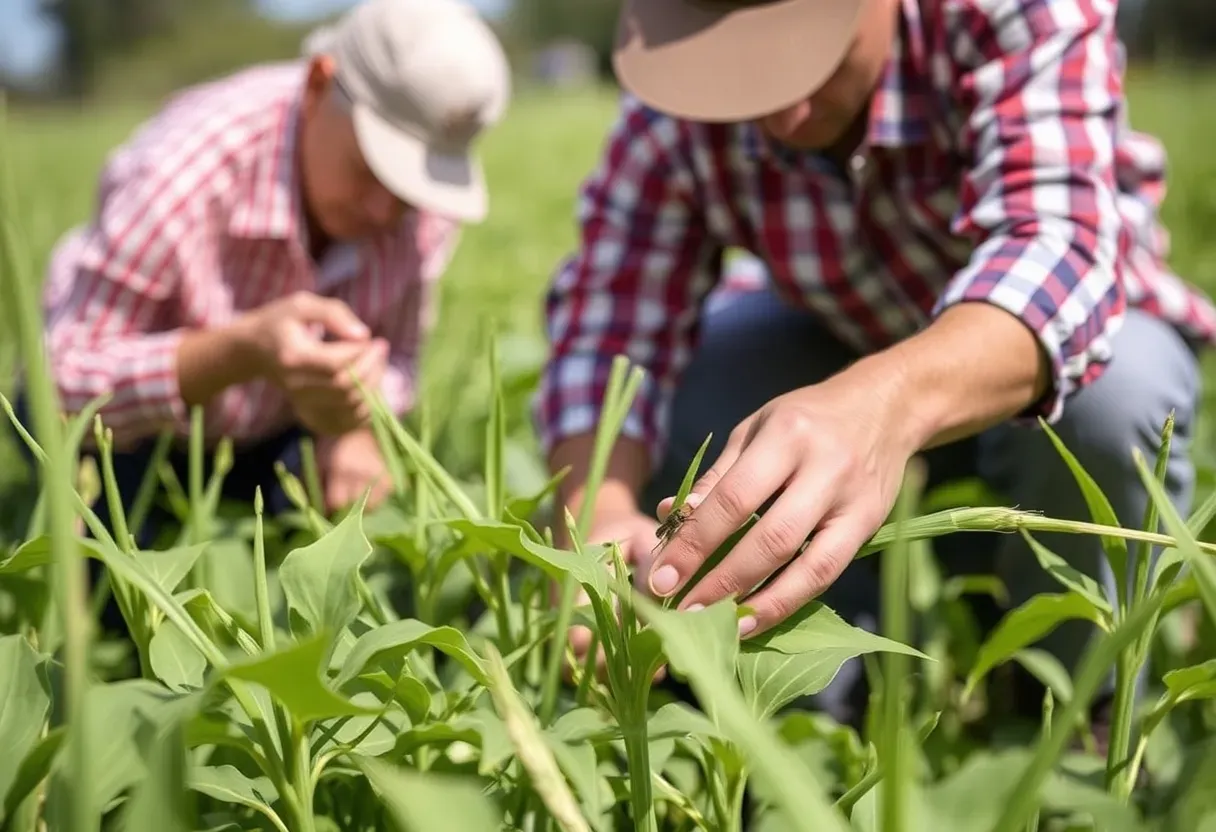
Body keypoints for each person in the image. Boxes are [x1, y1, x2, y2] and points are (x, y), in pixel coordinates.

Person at [535, 0, 1216, 733]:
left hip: (1054, 347)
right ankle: (813, 702)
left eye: (808, 54)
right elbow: (609, 324)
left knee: (1114, 402)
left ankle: (1079, 712)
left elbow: (1057, 249)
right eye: (740, 74)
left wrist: (881, 405)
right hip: (840, 338)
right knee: (706, 384)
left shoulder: (1007, 13)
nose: (783, 111)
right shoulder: (675, 109)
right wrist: (595, 514)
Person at [23, 0, 510, 548]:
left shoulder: (419, 206)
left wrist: (354, 424)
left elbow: (399, 357)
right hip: (128, 434)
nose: (383, 211)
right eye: (371, 169)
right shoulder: (187, 171)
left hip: (277, 430)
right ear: (318, 84)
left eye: (405, 190)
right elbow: (57, 385)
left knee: (373, 547)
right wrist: (239, 351)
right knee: (110, 571)